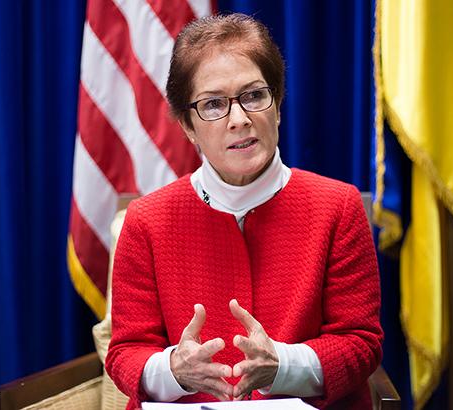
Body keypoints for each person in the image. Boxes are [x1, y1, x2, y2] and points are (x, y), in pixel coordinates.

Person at [106, 13, 383, 409]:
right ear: (187, 126)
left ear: (278, 105)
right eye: (213, 104)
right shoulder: (146, 220)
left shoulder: (338, 207)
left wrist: (283, 365)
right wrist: (173, 370)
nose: (239, 120)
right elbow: (125, 353)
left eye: (254, 96)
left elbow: (361, 344)